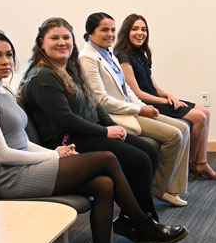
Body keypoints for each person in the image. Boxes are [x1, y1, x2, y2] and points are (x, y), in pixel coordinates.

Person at [0, 30, 184, 243]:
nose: (5, 61)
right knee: (105, 159)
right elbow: (1, 154)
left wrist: (54, 153)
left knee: (104, 184)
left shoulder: (3, 90)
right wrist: (50, 159)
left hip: (27, 166)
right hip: (12, 177)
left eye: (9, 55)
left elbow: (22, 143)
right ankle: (142, 223)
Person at [19, 17, 187, 243]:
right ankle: (143, 224)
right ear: (41, 42)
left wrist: (109, 126)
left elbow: (94, 103)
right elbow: (66, 120)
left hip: (87, 134)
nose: (62, 43)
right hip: (68, 142)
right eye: (54, 38)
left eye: (66, 37)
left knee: (149, 152)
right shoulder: (43, 76)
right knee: (139, 160)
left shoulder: (68, 67)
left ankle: (139, 221)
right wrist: (104, 132)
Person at [79, 12, 192, 206]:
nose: (110, 34)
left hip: (131, 108)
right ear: (90, 32)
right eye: (104, 30)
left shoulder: (108, 54)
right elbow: (101, 100)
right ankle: (159, 189)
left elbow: (127, 89)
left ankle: (172, 188)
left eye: (113, 29)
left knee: (183, 127)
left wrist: (143, 106)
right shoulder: (87, 58)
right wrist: (138, 110)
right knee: (175, 135)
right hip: (117, 115)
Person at [114, 13, 216, 180]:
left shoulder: (141, 53)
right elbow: (137, 93)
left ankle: (202, 162)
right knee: (198, 117)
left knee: (205, 112)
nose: (140, 33)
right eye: (135, 29)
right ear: (126, 31)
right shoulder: (123, 55)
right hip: (146, 104)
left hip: (156, 98)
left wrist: (170, 96)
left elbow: (154, 87)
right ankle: (190, 163)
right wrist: (164, 101)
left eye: (143, 29)